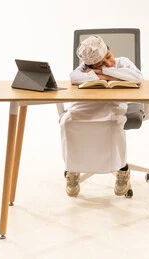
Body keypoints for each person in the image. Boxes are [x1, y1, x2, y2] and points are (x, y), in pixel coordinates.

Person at [59, 35, 144, 197]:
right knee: (67, 122)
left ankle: (122, 170)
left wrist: (102, 72)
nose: (109, 63)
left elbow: (138, 77)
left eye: (108, 57)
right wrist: (113, 75)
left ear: (110, 51)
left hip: (112, 105)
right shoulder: (83, 67)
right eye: (100, 64)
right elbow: (74, 77)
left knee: (112, 124)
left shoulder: (122, 61)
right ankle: (72, 170)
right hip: (84, 105)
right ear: (88, 64)